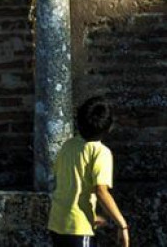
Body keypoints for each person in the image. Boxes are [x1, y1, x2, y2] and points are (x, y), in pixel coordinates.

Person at [47, 96, 130, 247]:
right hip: (78, 228)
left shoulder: (68, 146)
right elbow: (101, 191)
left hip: (57, 223)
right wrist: (122, 225)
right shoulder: (100, 152)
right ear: (108, 126)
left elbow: (65, 182)